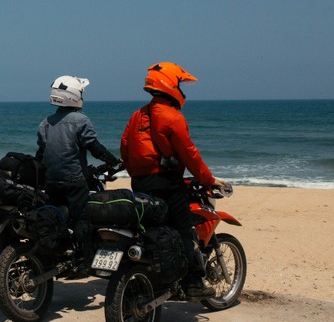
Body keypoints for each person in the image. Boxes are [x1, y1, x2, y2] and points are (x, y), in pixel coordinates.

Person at [120, 62, 227, 299]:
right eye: (179, 83)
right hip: (167, 184)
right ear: (170, 85)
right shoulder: (173, 117)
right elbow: (190, 154)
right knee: (184, 230)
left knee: (150, 229)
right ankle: (193, 284)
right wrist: (209, 180)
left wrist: (138, 175)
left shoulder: (137, 115)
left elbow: (125, 148)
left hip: (139, 183)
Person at [36, 75, 122, 265]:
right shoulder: (81, 120)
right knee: (83, 218)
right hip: (74, 181)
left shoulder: (45, 123)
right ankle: (85, 261)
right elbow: (93, 146)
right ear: (74, 96)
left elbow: (41, 154)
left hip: (51, 182)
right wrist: (113, 161)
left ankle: (57, 255)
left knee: (57, 217)